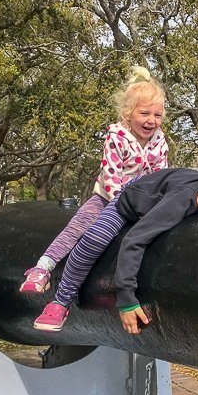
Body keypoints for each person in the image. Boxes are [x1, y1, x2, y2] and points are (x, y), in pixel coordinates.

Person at [32, 160, 198, 334]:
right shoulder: (183, 199)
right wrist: (126, 299)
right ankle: (60, 301)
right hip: (130, 200)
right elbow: (135, 239)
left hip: (157, 196)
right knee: (95, 239)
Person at [20, 66, 168, 293]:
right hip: (109, 198)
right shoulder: (117, 137)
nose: (151, 121)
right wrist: (121, 204)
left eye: (157, 115)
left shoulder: (159, 142)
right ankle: (43, 268)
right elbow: (110, 174)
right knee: (79, 225)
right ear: (127, 113)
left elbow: (160, 174)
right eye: (144, 114)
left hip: (141, 201)